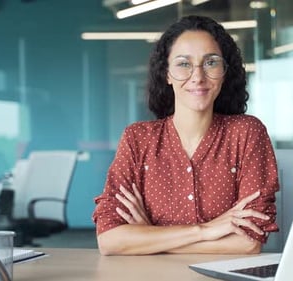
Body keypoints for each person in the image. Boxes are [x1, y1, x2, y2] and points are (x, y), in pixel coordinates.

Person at [92, 15, 279, 256]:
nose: (198, 77)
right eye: (183, 64)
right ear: (166, 74)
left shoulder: (247, 133)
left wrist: (150, 237)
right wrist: (204, 230)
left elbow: (248, 243)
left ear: (225, 71)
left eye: (211, 62)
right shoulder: (137, 139)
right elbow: (109, 240)